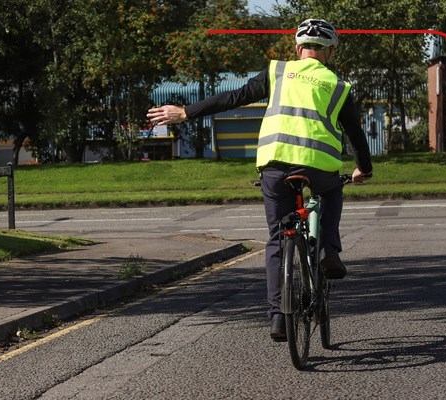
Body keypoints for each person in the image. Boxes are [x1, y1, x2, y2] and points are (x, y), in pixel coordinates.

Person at [147, 19, 372, 341]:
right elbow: (356, 134)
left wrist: (186, 112)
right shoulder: (339, 86)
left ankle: (279, 316)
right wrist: (364, 168)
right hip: (320, 166)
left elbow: (234, 97)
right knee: (332, 193)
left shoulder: (277, 72)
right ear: (331, 52)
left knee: (278, 238)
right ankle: (329, 252)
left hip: (275, 165)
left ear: (297, 48)